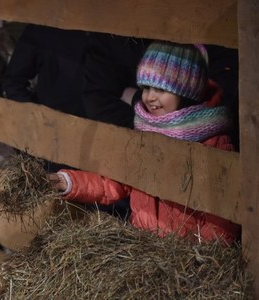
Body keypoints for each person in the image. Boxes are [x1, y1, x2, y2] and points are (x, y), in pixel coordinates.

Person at [50, 41, 241, 244]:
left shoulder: (213, 144)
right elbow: (114, 182)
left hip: (187, 259)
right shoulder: (144, 137)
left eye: (161, 89)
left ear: (187, 92)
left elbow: (222, 219)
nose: (150, 96)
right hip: (147, 251)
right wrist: (67, 182)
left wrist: (197, 257)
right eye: (146, 87)